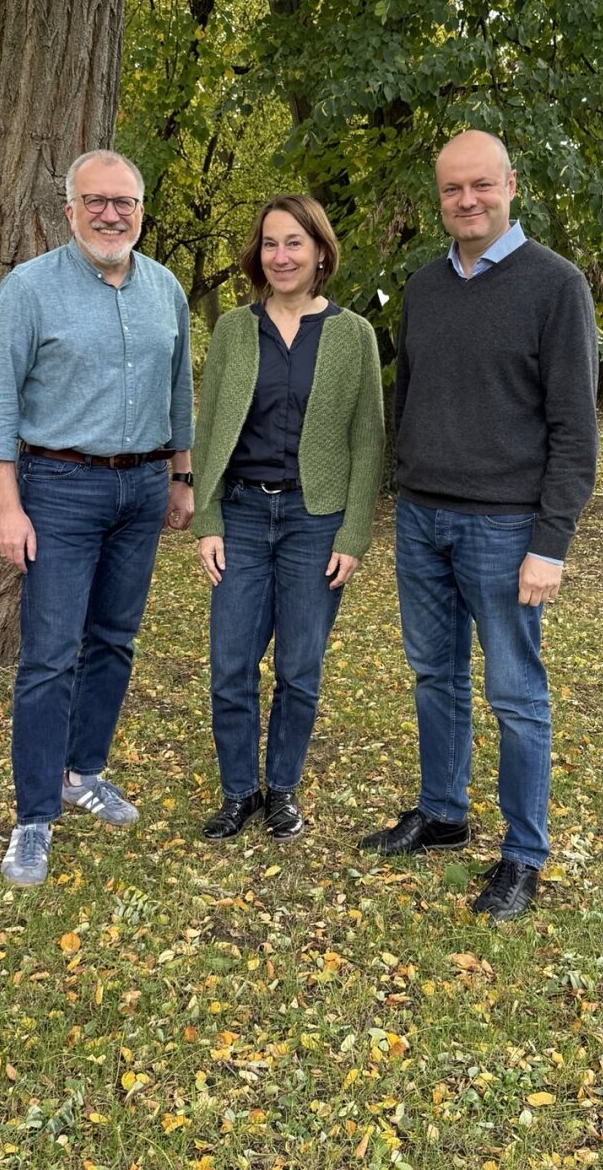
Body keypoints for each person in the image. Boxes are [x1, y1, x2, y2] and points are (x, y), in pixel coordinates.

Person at [359, 131, 598, 921]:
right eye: (452, 190)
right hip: (423, 518)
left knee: (515, 695)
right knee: (435, 677)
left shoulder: (555, 286)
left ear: (510, 186)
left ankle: (523, 855)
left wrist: (548, 543)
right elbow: (411, 397)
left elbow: (574, 430)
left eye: (480, 186)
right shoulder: (422, 287)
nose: (466, 201)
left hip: (504, 530)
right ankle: (443, 814)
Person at [0, 149, 194, 888]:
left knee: (113, 641)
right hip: (58, 488)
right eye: (95, 201)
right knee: (48, 655)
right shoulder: (29, 289)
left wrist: (181, 477)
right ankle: (33, 816)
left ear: (140, 209)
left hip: (140, 492)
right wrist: (9, 507)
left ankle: (81, 772)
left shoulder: (165, 289)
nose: (110, 214)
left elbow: (179, 391)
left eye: (124, 202)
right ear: (68, 210)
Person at [192, 195, 384, 841]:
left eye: (294, 243)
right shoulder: (234, 330)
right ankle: (237, 792)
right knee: (230, 665)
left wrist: (354, 533)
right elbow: (211, 423)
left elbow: (368, 440)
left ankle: (281, 790)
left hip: (314, 520)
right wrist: (207, 518)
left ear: (320, 252)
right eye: (270, 243)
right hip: (242, 514)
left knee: (299, 669)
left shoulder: (353, 334)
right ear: (258, 254)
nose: (281, 256)